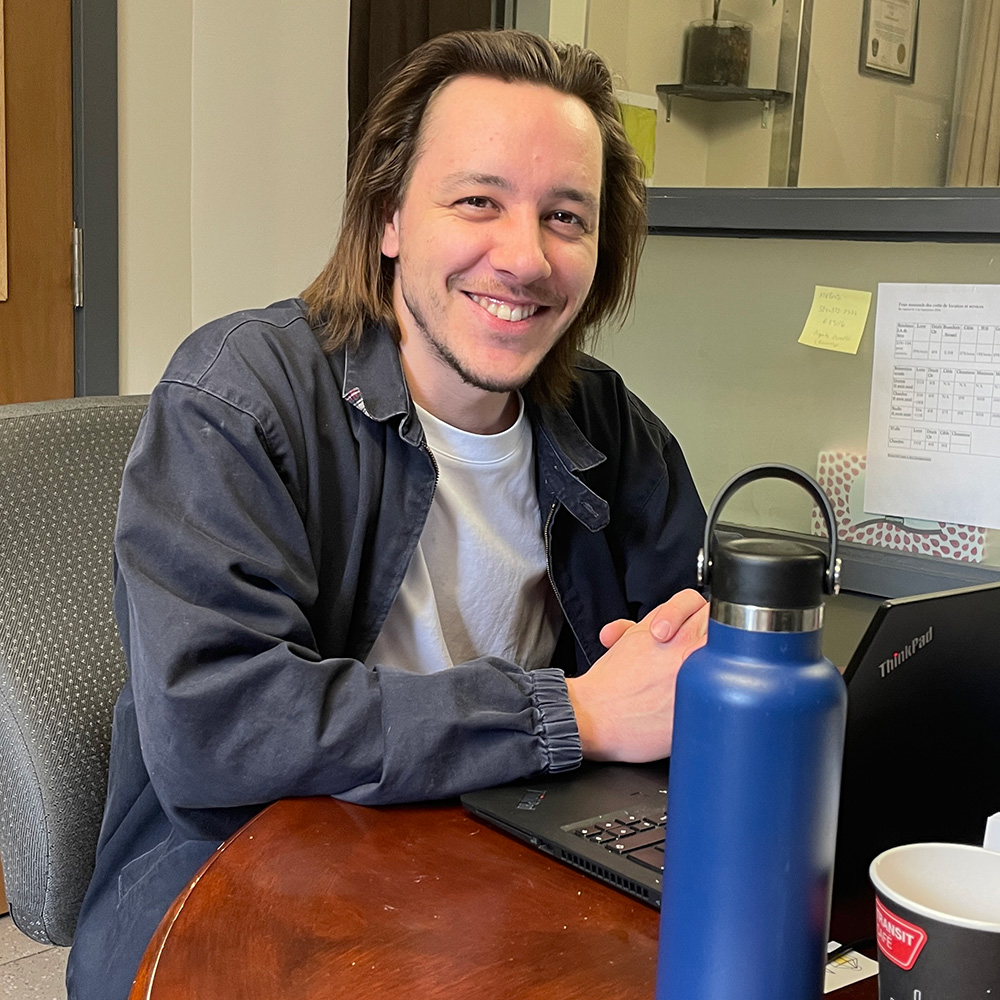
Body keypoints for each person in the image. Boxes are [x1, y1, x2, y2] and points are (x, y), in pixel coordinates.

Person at [67, 28, 708, 1000]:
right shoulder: (237, 399)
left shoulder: (614, 431)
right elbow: (221, 731)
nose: (525, 257)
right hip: (244, 880)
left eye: (566, 216)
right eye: (477, 201)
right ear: (389, 217)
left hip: (502, 860)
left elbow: (670, 683)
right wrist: (571, 713)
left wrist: (715, 668)